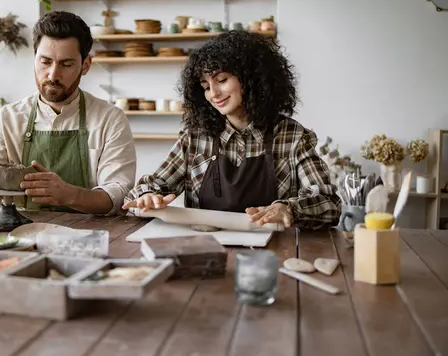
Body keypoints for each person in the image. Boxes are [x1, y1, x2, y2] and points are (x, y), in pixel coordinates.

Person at [123, 30, 341, 230]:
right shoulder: (196, 137)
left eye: (222, 80)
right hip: (206, 249)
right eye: (206, 87)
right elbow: (143, 191)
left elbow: (329, 204)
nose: (214, 94)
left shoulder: (292, 136)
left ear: (252, 78)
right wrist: (148, 195)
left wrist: (289, 209)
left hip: (273, 252)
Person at [0, 11, 136, 216]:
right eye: (45, 62)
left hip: (89, 236)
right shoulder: (8, 119)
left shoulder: (110, 119)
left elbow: (118, 194)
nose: (53, 74)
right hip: (20, 234)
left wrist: (71, 195)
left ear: (85, 66)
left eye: (66, 64)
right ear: (34, 59)